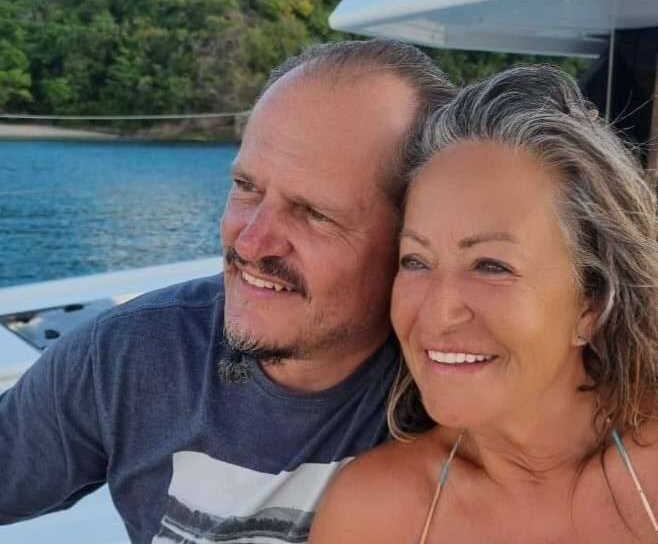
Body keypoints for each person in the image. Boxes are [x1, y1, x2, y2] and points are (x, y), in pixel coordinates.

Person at [310, 65, 658, 544]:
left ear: (591, 303)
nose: (437, 311)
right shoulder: (374, 512)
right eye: (415, 261)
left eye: (491, 265)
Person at [0, 39, 455, 543]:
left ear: (415, 239)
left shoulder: (459, 387)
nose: (251, 242)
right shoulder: (130, 356)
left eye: (314, 213)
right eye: (246, 187)